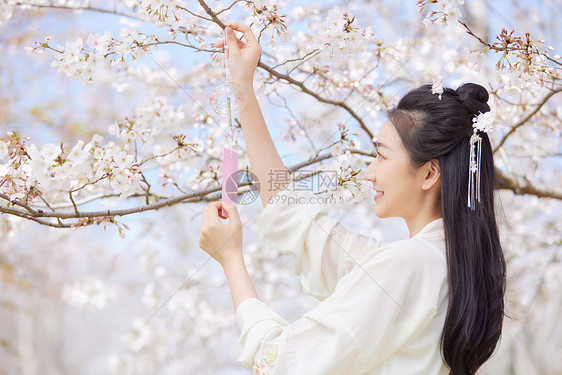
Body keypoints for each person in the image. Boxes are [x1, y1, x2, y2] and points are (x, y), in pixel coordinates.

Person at [199, 22, 507, 375]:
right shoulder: (447, 266)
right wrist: (243, 92)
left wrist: (231, 260)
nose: (369, 172)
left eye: (381, 155)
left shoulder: (406, 265)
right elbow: (302, 226)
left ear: (429, 173)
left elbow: (280, 363)